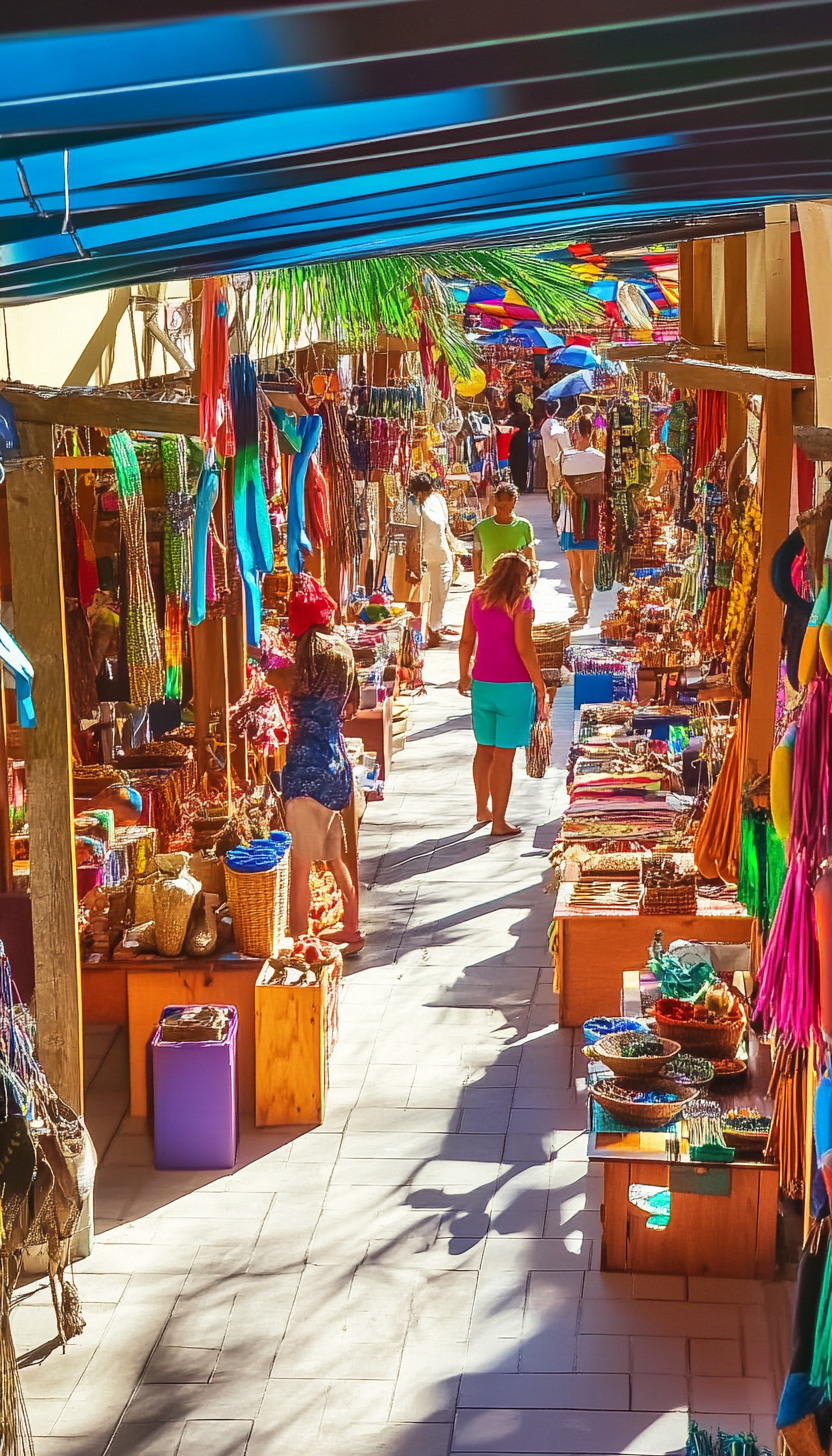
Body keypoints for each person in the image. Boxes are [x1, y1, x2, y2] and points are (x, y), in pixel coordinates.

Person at [278, 574, 364, 954]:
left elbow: (276, 679)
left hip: (305, 768)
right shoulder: (341, 651)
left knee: (300, 863)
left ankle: (298, 941)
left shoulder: (304, 659)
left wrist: (256, 657)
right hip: (336, 764)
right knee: (333, 856)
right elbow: (353, 705)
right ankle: (351, 927)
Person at [458, 552, 545, 839]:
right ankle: (499, 821)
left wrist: (463, 675)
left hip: (483, 683)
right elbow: (524, 645)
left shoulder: (477, 597)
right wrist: (539, 683)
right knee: (504, 757)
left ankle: (482, 809)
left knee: (484, 749)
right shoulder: (521, 602)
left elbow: (467, 640)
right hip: (514, 686)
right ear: (521, 576)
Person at [560, 414, 605, 627]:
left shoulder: (564, 457)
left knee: (574, 568)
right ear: (593, 433)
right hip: (593, 519)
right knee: (589, 565)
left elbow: (557, 483)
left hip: (570, 517)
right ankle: (586, 608)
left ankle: (580, 611)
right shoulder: (601, 458)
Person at [407, 472, 462, 647]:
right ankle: (427, 629)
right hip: (423, 556)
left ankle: (436, 625)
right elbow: (410, 532)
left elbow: (445, 527)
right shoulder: (410, 504)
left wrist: (454, 546)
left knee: (442, 590)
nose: (425, 496)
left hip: (442, 552)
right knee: (424, 594)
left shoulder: (437, 501)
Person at [472, 483, 537, 582]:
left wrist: (530, 578)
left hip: (516, 582)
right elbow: (477, 554)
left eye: (508, 504)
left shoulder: (524, 526)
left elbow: (530, 556)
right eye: (501, 506)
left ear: (514, 502)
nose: (504, 510)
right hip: (490, 580)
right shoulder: (481, 528)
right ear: (495, 502)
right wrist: (477, 578)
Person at [540, 402, 571, 505]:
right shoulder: (551, 422)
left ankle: (554, 499)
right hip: (554, 455)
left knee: (552, 479)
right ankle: (556, 500)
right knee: (556, 479)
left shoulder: (547, 423)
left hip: (549, 453)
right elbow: (556, 434)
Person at [505, 397, 532, 493]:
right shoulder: (526, 417)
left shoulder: (513, 419)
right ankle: (523, 485)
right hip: (524, 442)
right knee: (523, 464)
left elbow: (507, 428)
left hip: (515, 442)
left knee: (515, 465)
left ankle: (518, 485)